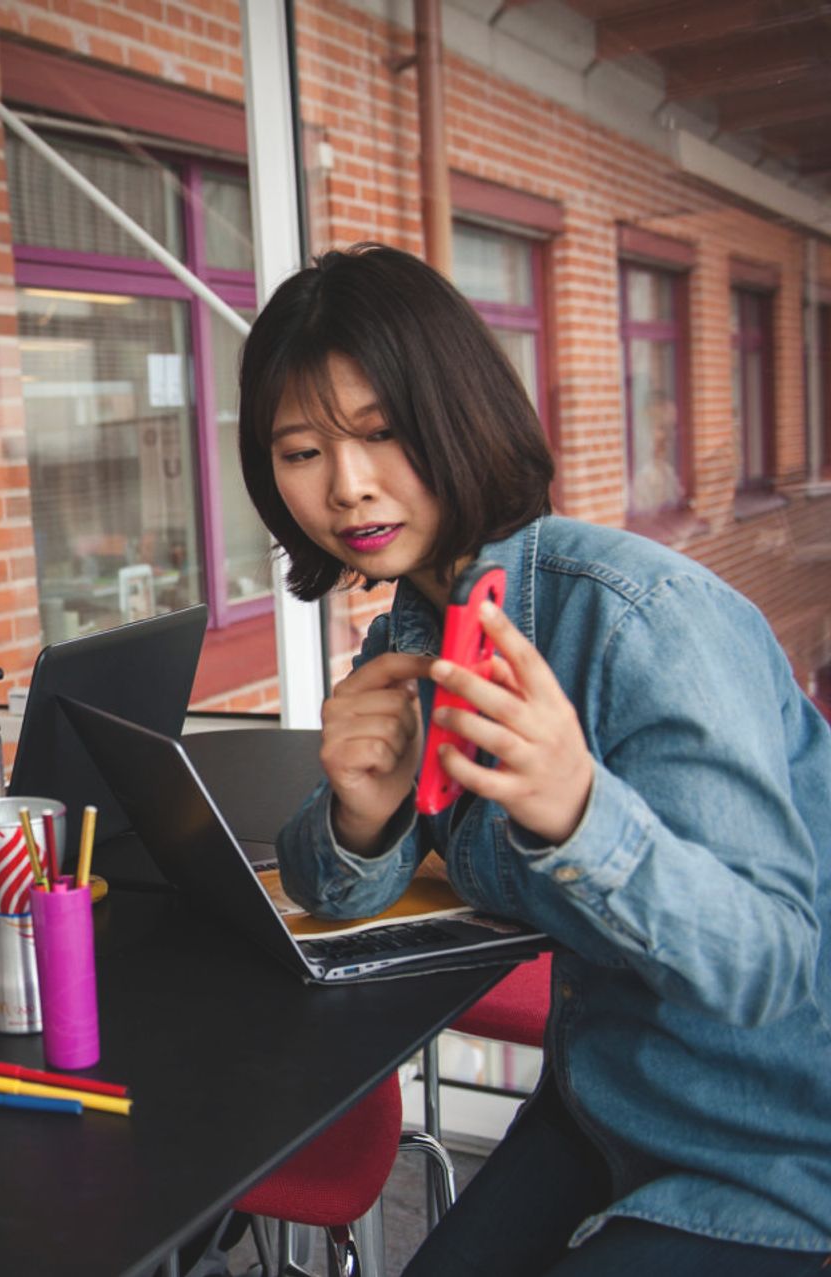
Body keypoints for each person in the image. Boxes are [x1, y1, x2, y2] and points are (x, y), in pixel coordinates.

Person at [236, 244, 831, 1275]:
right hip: (601, 1101)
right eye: (300, 452)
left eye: (381, 433)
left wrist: (581, 811)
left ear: (458, 412)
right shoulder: (414, 633)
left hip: (775, 1146)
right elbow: (329, 891)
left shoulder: (643, 619)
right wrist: (358, 818)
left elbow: (769, 963)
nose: (348, 485)